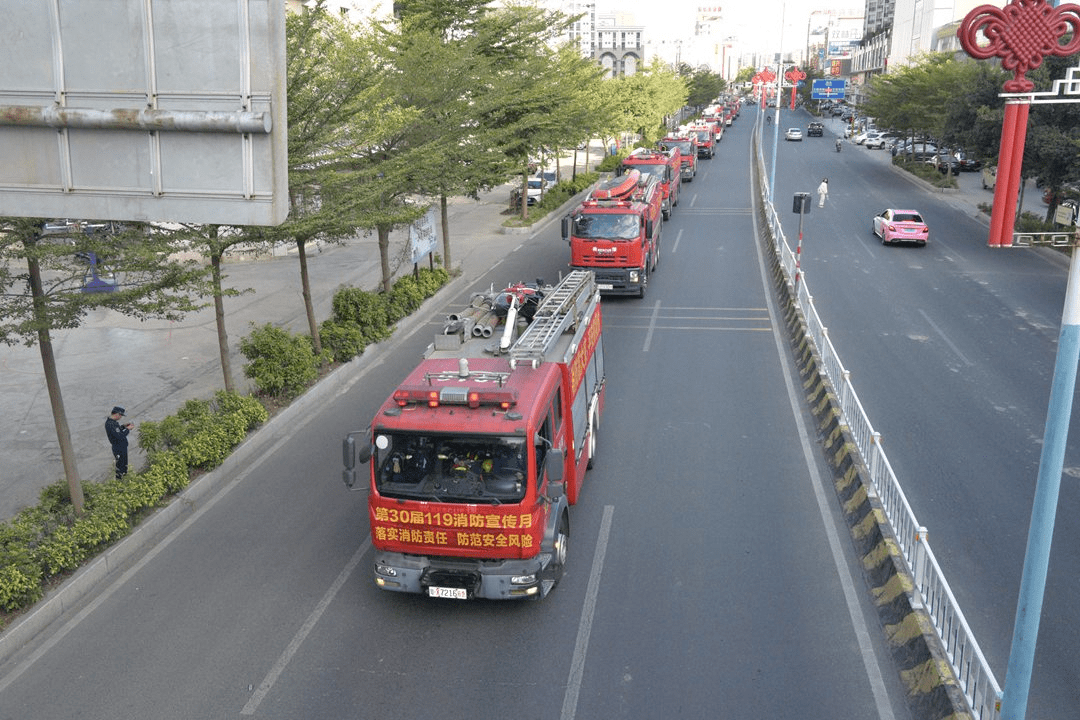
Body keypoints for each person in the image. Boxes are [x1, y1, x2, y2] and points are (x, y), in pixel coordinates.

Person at [105, 406, 134, 479]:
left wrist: (123, 427)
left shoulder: (112, 423)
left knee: (124, 465)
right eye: (121, 415)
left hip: (121, 448)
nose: (120, 417)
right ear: (117, 414)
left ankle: (123, 479)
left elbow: (117, 431)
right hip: (119, 448)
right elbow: (120, 436)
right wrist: (128, 429)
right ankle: (120, 482)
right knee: (121, 467)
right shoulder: (111, 424)